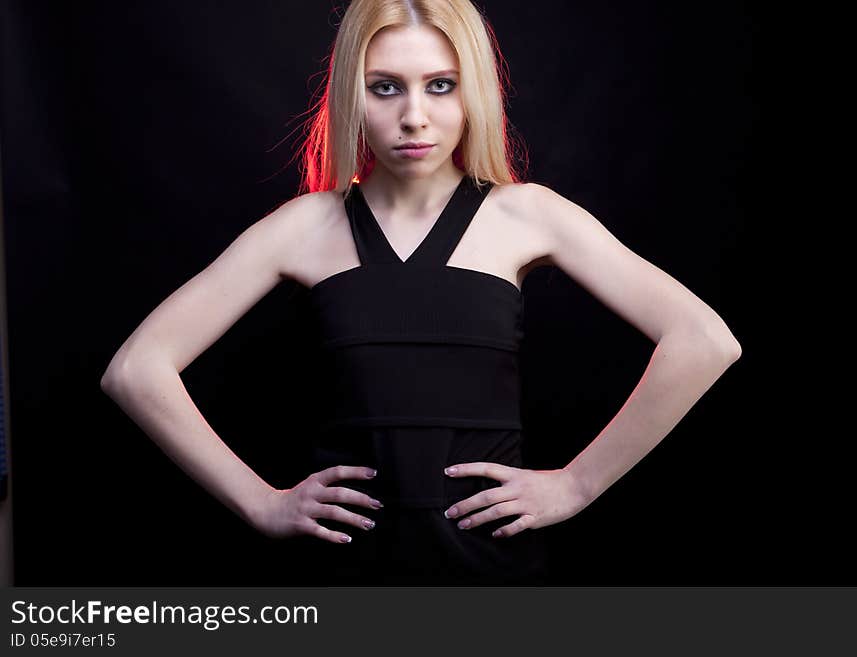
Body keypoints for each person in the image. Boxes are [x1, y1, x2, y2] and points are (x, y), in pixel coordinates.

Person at [100, 0, 741, 586]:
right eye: (385, 88)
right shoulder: (304, 226)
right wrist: (261, 501)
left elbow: (704, 340)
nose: (414, 116)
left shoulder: (527, 216)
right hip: (343, 577)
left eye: (440, 85)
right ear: (353, 94)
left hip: (492, 576)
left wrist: (577, 485)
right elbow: (136, 369)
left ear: (473, 94)